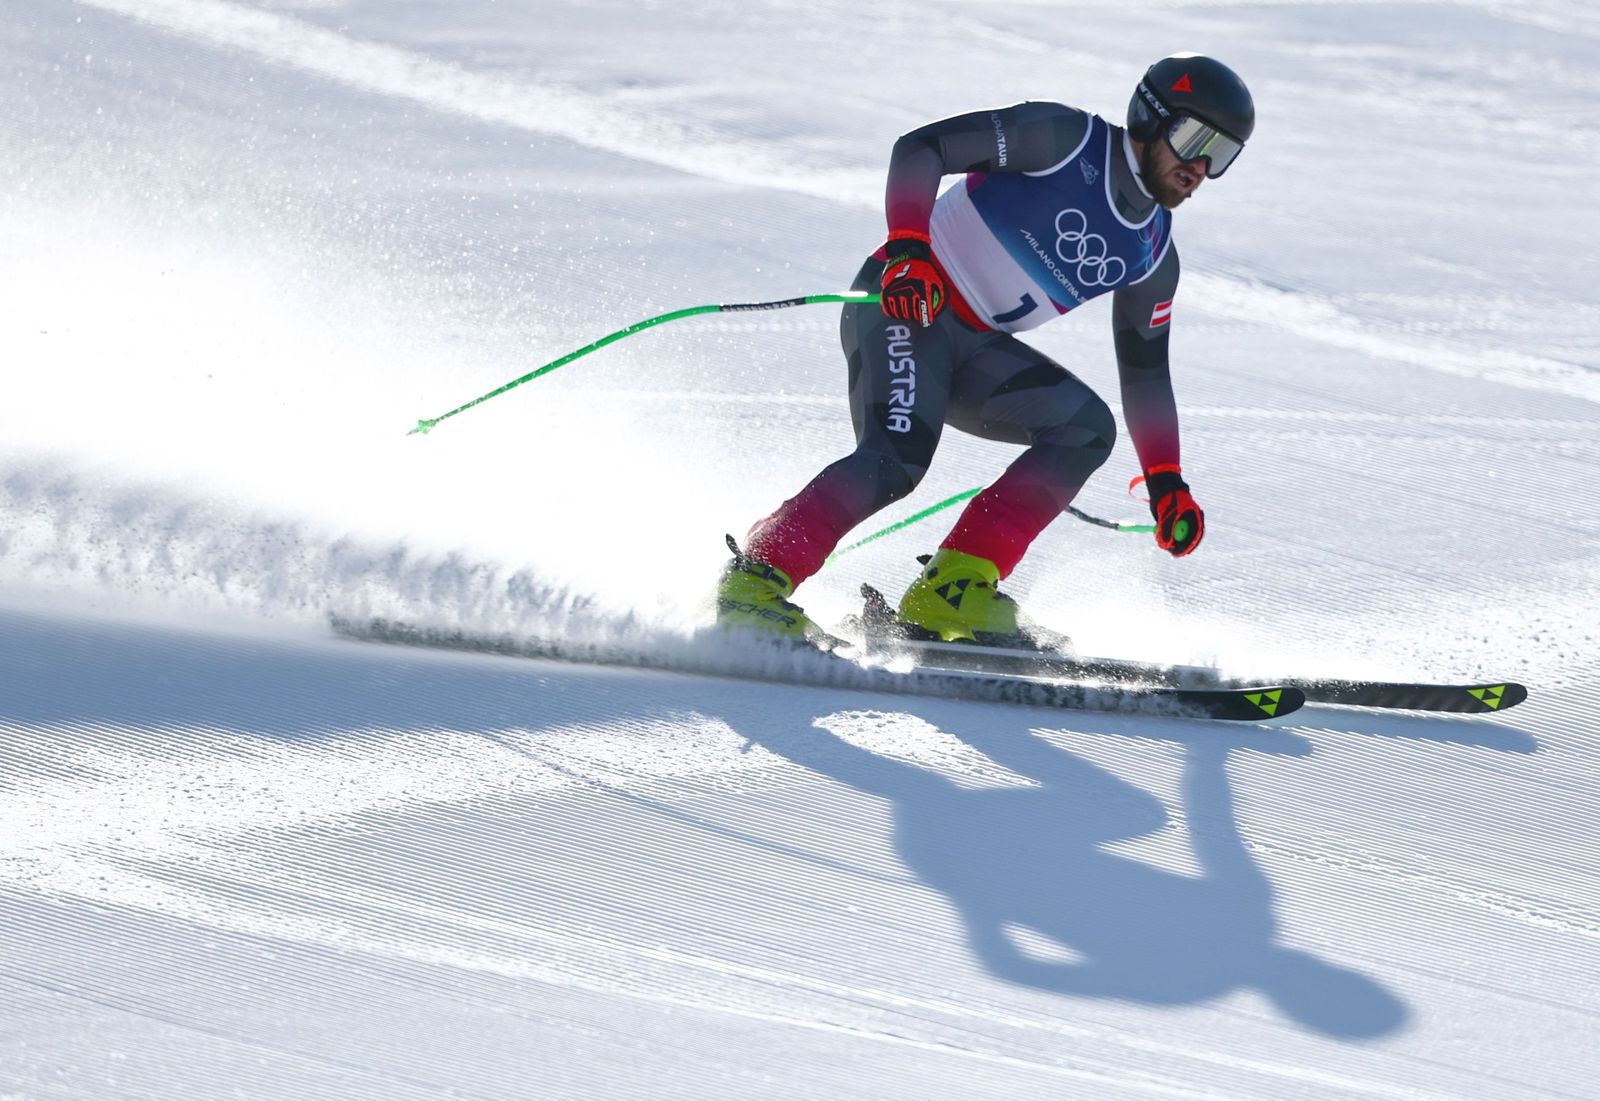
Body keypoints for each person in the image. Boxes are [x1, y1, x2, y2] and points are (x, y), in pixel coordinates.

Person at [717, 54, 1255, 646]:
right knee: (896, 456)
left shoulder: (1154, 253)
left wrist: (1166, 481)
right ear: (1149, 118)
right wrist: (909, 252)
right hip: (905, 304)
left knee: (1085, 429)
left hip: (975, 349)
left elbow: (1147, 375)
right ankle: (754, 583)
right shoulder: (1064, 139)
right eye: (1192, 137)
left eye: (1221, 154)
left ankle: (953, 593)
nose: (1200, 165)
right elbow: (922, 149)